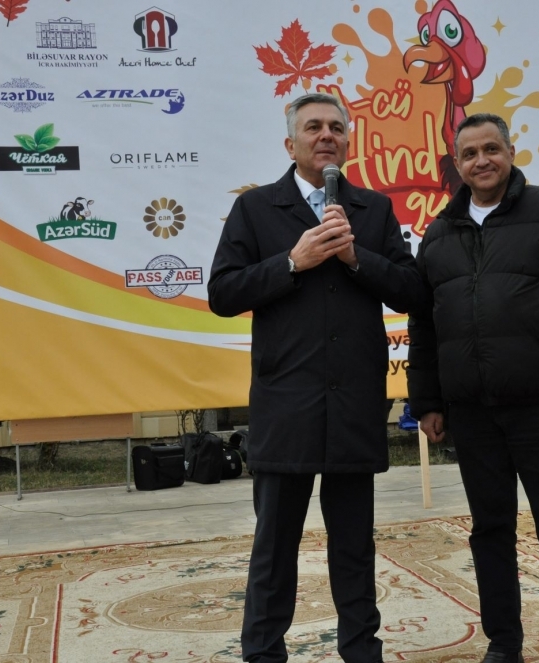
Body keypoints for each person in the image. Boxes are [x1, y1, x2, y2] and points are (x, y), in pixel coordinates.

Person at [208, 92, 423, 663]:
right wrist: (291, 262)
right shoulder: (256, 209)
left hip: (354, 404)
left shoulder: (372, 209)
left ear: (348, 142)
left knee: (354, 547)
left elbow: (410, 289)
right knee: (274, 547)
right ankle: (263, 653)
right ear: (291, 144)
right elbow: (222, 293)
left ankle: (361, 651)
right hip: (286, 403)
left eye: (335, 127)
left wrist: (356, 258)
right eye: (313, 128)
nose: (326, 135)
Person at [406, 113, 539, 663]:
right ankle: (504, 643)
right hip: (472, 413)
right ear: (457, 165)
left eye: (491, 149)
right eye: (469, 154)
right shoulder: (439, 233)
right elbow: (425, 326)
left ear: (510, 152)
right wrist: (427, 401)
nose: (481, 161)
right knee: (490, 532)